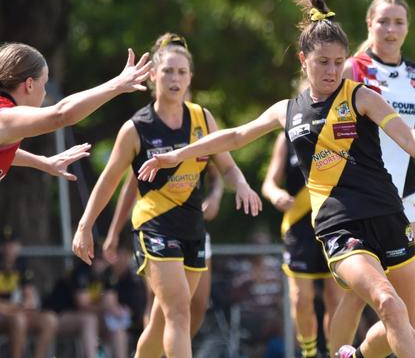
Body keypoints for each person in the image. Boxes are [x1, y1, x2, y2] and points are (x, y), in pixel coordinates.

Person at [135, 0, 415, 356]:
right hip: (341, 227)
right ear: (304, 61)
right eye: (322, 63)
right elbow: (235, 136)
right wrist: (177, 153)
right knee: (388, 304)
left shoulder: (361, 96)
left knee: (407, 324)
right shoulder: (288, 111)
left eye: (337, 62)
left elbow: (410, 135)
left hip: (389, 216)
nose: (331, 71)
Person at [71, 33, 262, 358]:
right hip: (154, 227)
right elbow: (110, 181)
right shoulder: (136, 129)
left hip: (192, 227)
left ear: (190, 78)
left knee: (162, 321)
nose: (175, 78)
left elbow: (227, 166)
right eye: (168, 71)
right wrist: (85, 225)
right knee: (178, 312)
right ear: (153, 75)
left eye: (182, 72)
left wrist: (240, 183)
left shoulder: (203, 118)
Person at [328, 0, 415, 351]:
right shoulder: (352, 70)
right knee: (360, 295)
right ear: (369, 24)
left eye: (399, 22)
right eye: (383, 21)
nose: (391, 30)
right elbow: (325, 133)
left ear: (408, 28)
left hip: (408, 199)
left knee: (414, 293)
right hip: (362, 199)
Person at [0, 42, 151, 181]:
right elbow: (61, 115)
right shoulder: (5, 117)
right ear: (30, 84)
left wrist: (44, 162)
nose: (45, 93)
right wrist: (117, 85)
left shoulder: (7, 124)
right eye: (44, 83)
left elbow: (7, 147)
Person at [103, 163, 222, 337]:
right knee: (159, 302)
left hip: (194, 230)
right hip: (156, 230)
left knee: (198, 304)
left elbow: (221, 172)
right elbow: (129, 186)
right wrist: (114, 232)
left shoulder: (203, 135)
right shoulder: (143, 137)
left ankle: (175, 350)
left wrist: (215, 197)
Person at [262, 132, 343, 357]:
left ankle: (333, 351)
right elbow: (269, 183)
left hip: (334, 222)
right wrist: (276, 194)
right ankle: (308, 352)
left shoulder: (339, 129)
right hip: (298, 227)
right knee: (300, 298)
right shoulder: (286, 138)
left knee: (336, 298)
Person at [0, 229, 58, 358]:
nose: (9, 248)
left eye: (12, 244)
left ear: (19, 247)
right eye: (5, 244)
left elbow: (30, 301)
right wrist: (15, 307)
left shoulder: (23, 269)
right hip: (6, 316)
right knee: (18, 320)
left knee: (50, 319)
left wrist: (16, 307)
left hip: (18, 312)